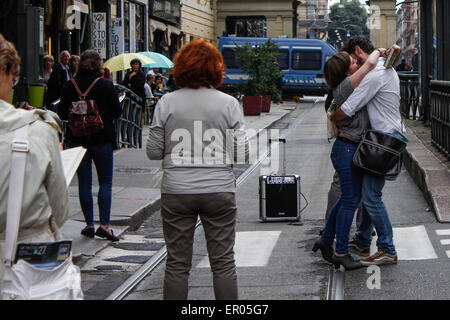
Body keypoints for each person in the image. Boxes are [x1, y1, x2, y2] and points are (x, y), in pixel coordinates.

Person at [146, 39, 249, 300]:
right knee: (223, 262)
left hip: (177, 190)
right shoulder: (228, 104)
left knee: (177, 265)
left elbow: (153, 151)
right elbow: (242, 153)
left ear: (181, 68)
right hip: (219, 189)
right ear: (216, 69)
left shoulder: (167, 103)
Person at [0, 33, 69, 279]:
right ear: (5, 71)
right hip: (27, 266)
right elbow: (60, 211)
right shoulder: (38, 131)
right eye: (14, 79)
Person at [330, 36, 403, 266]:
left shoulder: (375, 76)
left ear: (359, 52)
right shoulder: (385, 68)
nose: (352, 67)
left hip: (383, 141)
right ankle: (362, 238)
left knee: (371, 197)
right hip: (387, 138)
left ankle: (387, 248)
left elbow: (348, 109)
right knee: (367, 192)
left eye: (352, 60)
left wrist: (334, 117)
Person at [313, 47, 382, 270]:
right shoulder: (345, 87)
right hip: (347, 149)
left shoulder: (346, 85)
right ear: (345, 72)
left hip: (347, 148)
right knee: (351, 201)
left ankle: (326, 239)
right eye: (352, 63)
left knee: (346, 199)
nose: (357, 64)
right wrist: (379, 51)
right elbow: (370, 65)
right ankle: (341, 251)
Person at [58, 50, 122, 242]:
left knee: (84, 183)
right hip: (102, 138)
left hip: (77, 140)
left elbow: (61, 113)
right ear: (98, 65)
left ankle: (89, 224)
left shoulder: (70, 85)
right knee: (105, 182)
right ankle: (105, 225)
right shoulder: (105, 85)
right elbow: (117, 112)